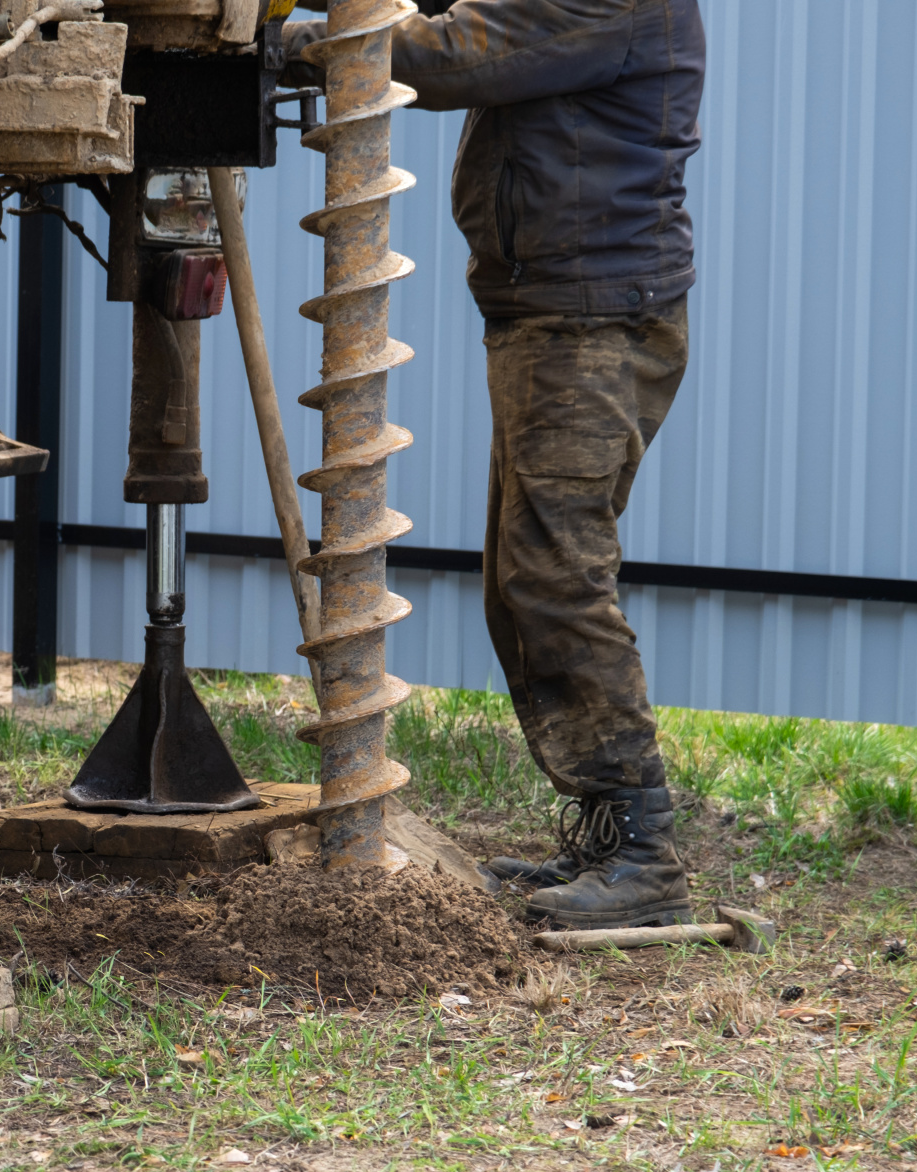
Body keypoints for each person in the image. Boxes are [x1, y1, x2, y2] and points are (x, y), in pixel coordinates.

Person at [287, 0, 705, 927]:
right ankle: (605, 835)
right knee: (520, 583)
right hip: (551, 310)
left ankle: (646, 856)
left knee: (556, 577)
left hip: (593, 318)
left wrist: (303, 37)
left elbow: (450, 53)